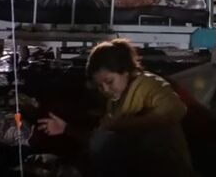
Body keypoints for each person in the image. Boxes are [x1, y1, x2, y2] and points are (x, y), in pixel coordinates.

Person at [37, 39, 192, 177]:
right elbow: (101, 141)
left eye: (109, 81)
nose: (105, 89)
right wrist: (66, 129)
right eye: (100, 86)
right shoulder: (115, 101)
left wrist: (120, 125)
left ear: (125, 71)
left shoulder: (148, 84)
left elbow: (177, 110)